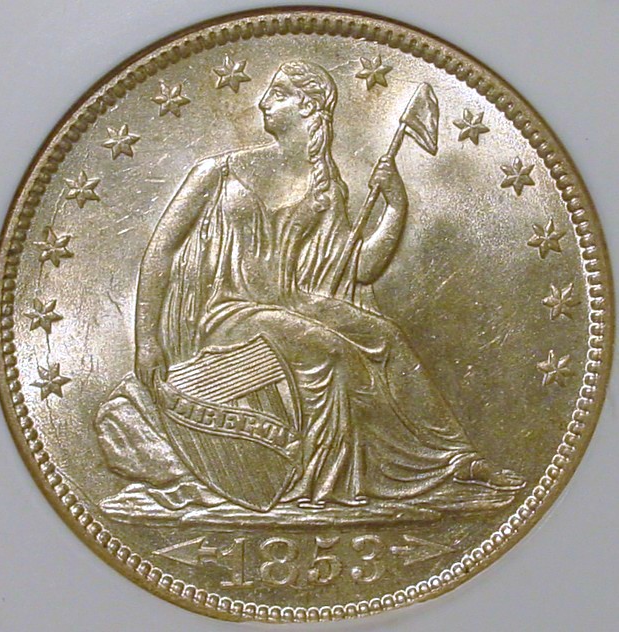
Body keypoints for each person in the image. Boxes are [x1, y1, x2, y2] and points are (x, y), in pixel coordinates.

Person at [104, 60, 524, 512]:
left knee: (385, 336)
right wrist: (147, 340)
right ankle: (323, 484)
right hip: (227, 313)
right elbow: (162, 251)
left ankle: (454, 460)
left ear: (307, 107)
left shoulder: (325, 186)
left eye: (278, 93)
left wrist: (395, 207)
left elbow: (359, 267)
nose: (263, 102)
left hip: (291, 303)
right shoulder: (216, 172)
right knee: (331, 350)